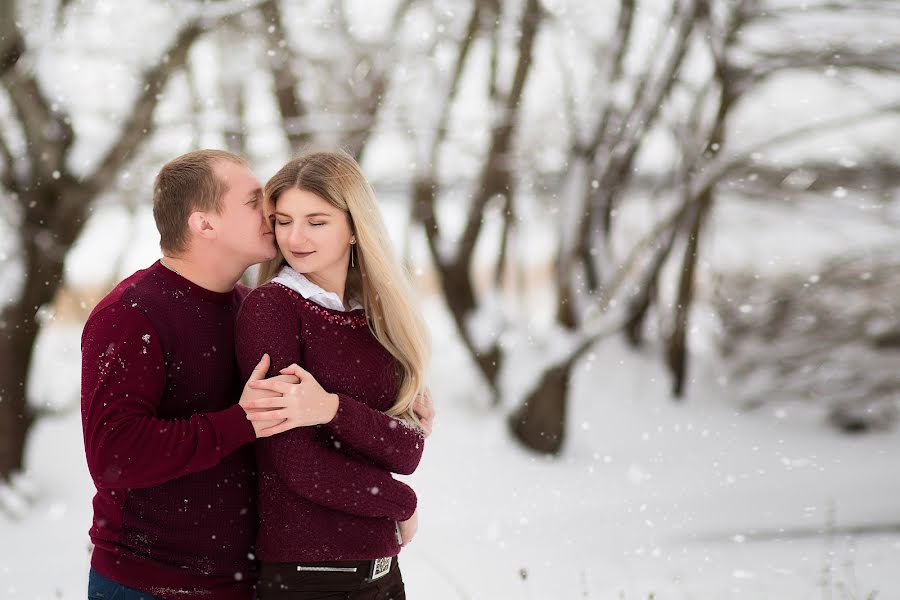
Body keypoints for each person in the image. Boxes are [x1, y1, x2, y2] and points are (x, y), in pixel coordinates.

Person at [80, 150, 340, 600]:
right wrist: (238, 422)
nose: (272, 210)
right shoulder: (131, 316)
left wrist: (400, 404)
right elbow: (113, 455)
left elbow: (312, 398)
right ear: (204, 224)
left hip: (245, 583)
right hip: (151, 586)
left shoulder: (253, 307)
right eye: (253, 200)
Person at [235, 150, 432, 599]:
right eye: (283, 221)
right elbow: (297, 465)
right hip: (309, 576)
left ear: (354, 228)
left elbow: (407, 451)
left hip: (382, 573)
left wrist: (329, 409)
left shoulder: (375, 319)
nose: (296, 237)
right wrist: (400, 501)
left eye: (316, 221)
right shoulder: (273, 309)